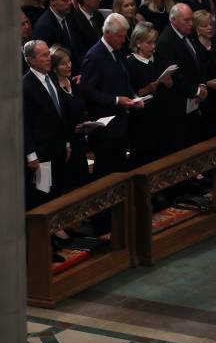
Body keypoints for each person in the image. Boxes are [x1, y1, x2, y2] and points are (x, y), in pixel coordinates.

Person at [79, 13, 143, 179]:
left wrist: (133, 96)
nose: (124, 40)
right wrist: (116, 100)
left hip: (122, 123)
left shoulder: (118, 51)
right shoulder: (94, 56)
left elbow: (124, 79)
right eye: (120, 36)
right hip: (105, 128)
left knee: (121, 168)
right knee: (107, 172)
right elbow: (88, 91)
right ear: (108, 33)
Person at [23, 40, 71, 210]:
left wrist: (65, 141)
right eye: (44, 55)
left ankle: (58, 227)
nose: (49, 58)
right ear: (31, 60)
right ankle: (46, 233)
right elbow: (24, 125)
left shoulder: (51, 77)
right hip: (41, 153)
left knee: (58, 189)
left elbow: (59, 113)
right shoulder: (25, 85)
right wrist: (31, 155)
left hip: (57, 148)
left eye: (48, 54)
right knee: (43, 194)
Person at [156, 3, 208, 153]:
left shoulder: (187, 35)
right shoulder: (165, 42)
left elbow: (199, 61)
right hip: (178, 104)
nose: (191, 24)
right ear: (173, 20)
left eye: (191, 19)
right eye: (186, 20)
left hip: (193, 99)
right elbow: (175, 76)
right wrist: (196, 91)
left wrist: (202, 85)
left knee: (194, 139)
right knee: (182, 145)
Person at [126, 21, 173, 167]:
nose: (153, 47)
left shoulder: (158, 59)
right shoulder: (130, 63)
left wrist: (168, 81)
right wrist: (147, 89)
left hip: (160, 117)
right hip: (141, 122)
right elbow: (129, 94)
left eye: (154, 42)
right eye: (149, 43)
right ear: (138, 43)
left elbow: (170, 85)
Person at [50, 45, 93, 191]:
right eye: (63, 63)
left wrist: (87, 123)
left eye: (69, 62)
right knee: (69, 185)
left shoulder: (75, 84)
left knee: (84, 184)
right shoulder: (53, 88)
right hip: (66, 143)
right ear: (54, 68)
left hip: (80, 142)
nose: (69, 66)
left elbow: (82, 108)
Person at [193, 9, 216, 137]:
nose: (209, 28)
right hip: (205, 97)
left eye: (210, 25)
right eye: (204, 25)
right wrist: (207, 83)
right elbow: (193, 74)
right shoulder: (194, 48)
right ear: (197, 28)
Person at [32, 0, 82, 73]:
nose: (70, 2)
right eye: (65, 0)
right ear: (53, 2)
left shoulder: (70, 16)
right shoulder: (44, 26)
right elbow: (47, 60)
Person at [72, 0, 105, 64]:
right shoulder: (74, 21)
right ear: (86, 0)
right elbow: (79, 51)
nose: (100, 0)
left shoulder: (98, 16)